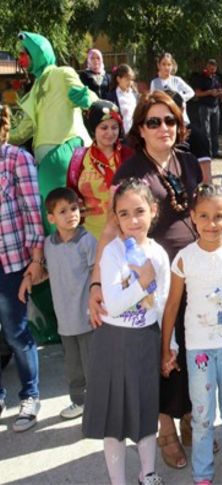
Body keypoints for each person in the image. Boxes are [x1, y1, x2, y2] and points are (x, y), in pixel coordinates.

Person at [90, 91, 204, 469]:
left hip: (192, 274)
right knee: (159, 354)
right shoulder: (130, 171)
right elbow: (109, 230)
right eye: (153, 121)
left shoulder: (187, 162)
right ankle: (166, 430)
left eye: (169, 120)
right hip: (151, 283)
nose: (163, 128)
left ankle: (190, 418)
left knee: (188, 349)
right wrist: (95, 285)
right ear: (140, 128)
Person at [161, 184, 222, 485]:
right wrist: (166, 348)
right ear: (192, 217)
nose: (211, 223)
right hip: (198, 350)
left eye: (218, 216)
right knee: (202, 417)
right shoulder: (184, 259)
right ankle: (202, 474)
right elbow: (173, 304)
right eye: (203, 216)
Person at [83, 178, 171, 485]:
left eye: (139, 211)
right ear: (115, 217)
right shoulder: (112, 253)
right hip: (113, 343)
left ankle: (147, 472)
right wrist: (142, 282)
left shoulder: (158, 254)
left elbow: (161, 303)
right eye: (123, 213)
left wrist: (168, 344)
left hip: (145, 341)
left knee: (145, 413)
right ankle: (117, 480)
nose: (132, 220)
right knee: (114, 418)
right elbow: (116, 305)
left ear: (153, 211)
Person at [11, 32, 96, 235]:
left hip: (65, 150)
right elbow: (23, 130)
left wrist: (88, 99)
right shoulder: (34, 90)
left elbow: (89, 96)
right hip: (46, 160)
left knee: (66, 212)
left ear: (39, 52)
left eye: (25, 53)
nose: (22, 59)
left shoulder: (62, 72)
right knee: (52, 212)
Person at [1, 105, 44, 431]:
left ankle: (29, 395)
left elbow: (33, 212)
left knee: (16, 331)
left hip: (11, 262)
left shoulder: (16, 159)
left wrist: (36, 260)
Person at [36, 188, 96, 420]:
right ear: (51, 218)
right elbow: (49, 272)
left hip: (87, 317)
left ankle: (97, 403)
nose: (71, 214)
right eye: (63, 211)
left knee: (92, 366)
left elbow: (96, 275)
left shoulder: (87, 240)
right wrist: (29, 279)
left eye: (74, 208)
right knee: (73, 368)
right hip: (64, 319)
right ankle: (79, 402)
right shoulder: (49, 244)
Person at [66, 100, 134, 239]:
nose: (110, 132)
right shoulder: (79, 157)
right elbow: (71, 195)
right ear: (93, 129)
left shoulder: (129, 156)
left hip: (124, 235)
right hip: (88, 237)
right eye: (104, 127)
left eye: (114, 127)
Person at [150, 53, 195, 125]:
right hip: (163, 118)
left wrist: (179, 98)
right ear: (159, 65)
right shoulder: (154, 82)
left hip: (178, 116)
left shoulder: (177, 80)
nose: (166, 67)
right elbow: (152, 99)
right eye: (164, 64)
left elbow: (191, 92)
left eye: (169, 64)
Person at [193, 59, 222, 157]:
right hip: (205, 107)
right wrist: (209, 92)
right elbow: (197, 93)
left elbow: (220, 90)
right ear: (207, 66)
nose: (212, 68)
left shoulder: (216, 77)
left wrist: (218, 93)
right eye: (211, 66)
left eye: (214, 66)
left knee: (215, 130)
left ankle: (215, 151)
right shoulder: (201, 78)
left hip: (216, 106)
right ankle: (206, 152)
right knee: (206, 131)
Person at [105, 64, 138, 135]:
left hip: (135, 133)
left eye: (131, 79)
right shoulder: (112, 96)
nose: (130, 82)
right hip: (121, 135)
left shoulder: (134, 94)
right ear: (118, 79)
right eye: (127, 79)